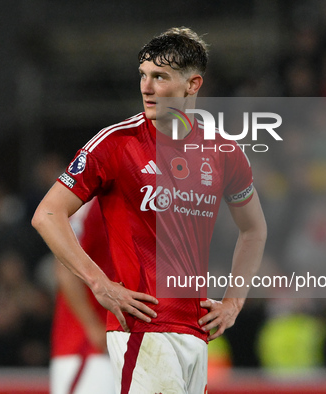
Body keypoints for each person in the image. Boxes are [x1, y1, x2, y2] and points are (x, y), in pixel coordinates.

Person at [32, 27, 267, 393]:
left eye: (160, 77)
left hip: (196, 332)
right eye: (143, 75)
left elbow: (254, 229)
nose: (147, 87)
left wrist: (234, 302)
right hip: (143, 329)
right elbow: (47, 214)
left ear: (192, 85)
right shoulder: (116, 144)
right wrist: (100, 284)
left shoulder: (224, 152)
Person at [50, 199, 114, 394]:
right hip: (87, 347)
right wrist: (92, 326)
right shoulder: (87, 205)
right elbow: (65, 269)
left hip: (124, 342)